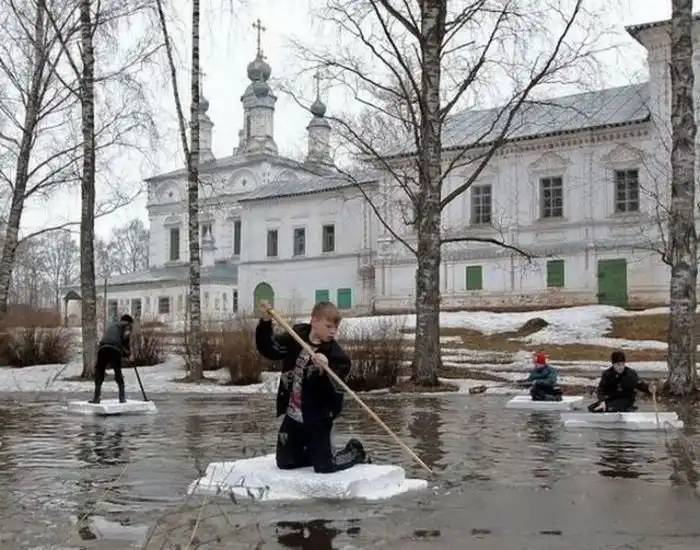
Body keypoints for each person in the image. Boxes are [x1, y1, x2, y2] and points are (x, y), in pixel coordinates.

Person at [255, 299, 369, 473]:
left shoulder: (336, 355)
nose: (333, 331)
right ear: (314, 321)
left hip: (319, 417)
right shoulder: (296, 337)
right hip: (293, 414)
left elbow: (336, 387)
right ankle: (312, 452)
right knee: (285, 463)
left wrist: (326, 367)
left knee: (324, 467)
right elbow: (271, 349)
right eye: (328, 326)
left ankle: (355, 452)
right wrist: (265, 322)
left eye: (335, 327)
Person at [587, 350, 655, 413]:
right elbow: (601, 389)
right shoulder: (607, 374)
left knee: (609, 409)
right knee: (593, 408)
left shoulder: (631, 374)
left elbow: (639, 384)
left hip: (626, 398)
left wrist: (649, 389)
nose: (621, 367)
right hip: (612, 398)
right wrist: (602, 401)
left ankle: (628, 409)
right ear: (613, 364)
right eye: (618, 365)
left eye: (623, 364)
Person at [89, 314, 134, 404]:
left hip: (102, 348)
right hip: (114, 348)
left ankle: (96, 398)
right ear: (129, 322)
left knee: (99, 371)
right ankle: (122, 397)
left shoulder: (113, 325)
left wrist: (125, 353)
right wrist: (129, 354)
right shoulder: (127, 325)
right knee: (117, 370)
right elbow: (125, 337)